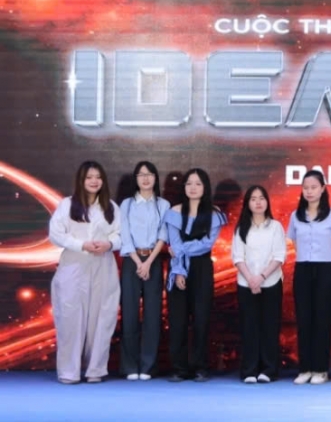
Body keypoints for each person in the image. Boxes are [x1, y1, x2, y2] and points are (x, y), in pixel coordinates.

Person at [49, 161, 121, 384]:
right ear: (81, 180)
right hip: (73, 266)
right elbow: (55, 234)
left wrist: (109, 244)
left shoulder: (111, 207)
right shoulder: (67, 205)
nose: (94, 181)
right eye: (89, 177)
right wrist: (81, 245)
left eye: (98, 177)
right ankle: (68, 372)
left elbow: (121, 235)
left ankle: (95, 369)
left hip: (103, 267)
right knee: (70, 319)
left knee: (101, 318)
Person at [164, 168, 226, 383]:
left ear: (205, 187)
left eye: (198, 184)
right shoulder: (174, 212)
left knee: (201, 318)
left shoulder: (214, 214)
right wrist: (179, 271)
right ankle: (179, 368)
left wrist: (180, 250)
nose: (193, 188)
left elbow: (206, 244)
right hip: (177, 268)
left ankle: (200, 367)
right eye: (189, 183)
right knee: (178, 320)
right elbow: (173, 243)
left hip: (202, 268)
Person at [287, 170, 331, 385]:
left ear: (323, 189)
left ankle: (321, 369)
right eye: (305, 188)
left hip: (325, 270)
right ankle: (305, 368)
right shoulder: (296, 216)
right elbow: (294, 242)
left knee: (323, 319)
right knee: (304, 320)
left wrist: (328, 258)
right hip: (302, 269)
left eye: (313, 187)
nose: (309, 191)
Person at [118, 161, 170, 381]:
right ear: (136, 179)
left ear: (156, 178)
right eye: (141, 175)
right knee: (129, 314)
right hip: (131, 261)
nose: (146, 178)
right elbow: (124, 234)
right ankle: (130, 366)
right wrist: (138, 262)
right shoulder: (127, 204)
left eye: (150, 174)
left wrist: (148, 263)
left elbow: (163, 234)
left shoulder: (163, 205)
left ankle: (148, 366)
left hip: (154, 260)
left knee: (152, 315)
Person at [232, 185, 286, 384]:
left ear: (267, 202)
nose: (258, 202)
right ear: (247, 203)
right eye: (253, 199)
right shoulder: (241, 228)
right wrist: (251, 279)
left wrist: (261, 277)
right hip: (246, 283)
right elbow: (238, 257)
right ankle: (249, 370)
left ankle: (268, 370)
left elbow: (279, 256)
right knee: (249, 327)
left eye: (261, 198)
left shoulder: (275, 227)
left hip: (271, 282)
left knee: (270, 326)